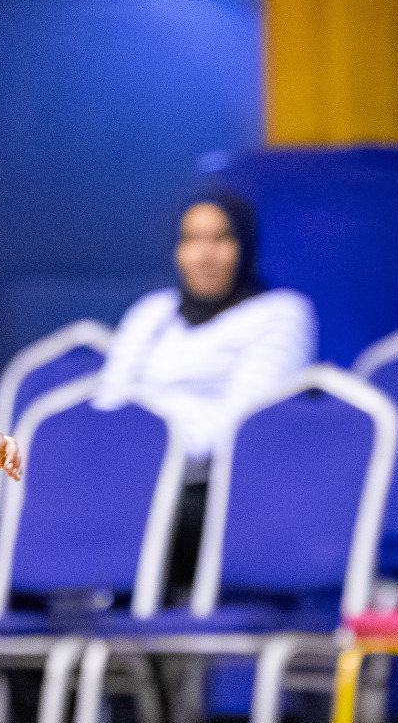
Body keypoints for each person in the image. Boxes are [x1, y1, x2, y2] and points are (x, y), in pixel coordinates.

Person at [94, 187, 317, 601]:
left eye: (220, 239)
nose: (205, 255)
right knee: (0, 537)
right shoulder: (152, 311)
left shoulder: (282, 312)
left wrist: (144, 453)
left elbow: (241, 423)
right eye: (192, 240)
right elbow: (110, 405)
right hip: (130, 481)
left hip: (219, 493)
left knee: (150, 524)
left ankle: (145, 661)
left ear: (245, 246)